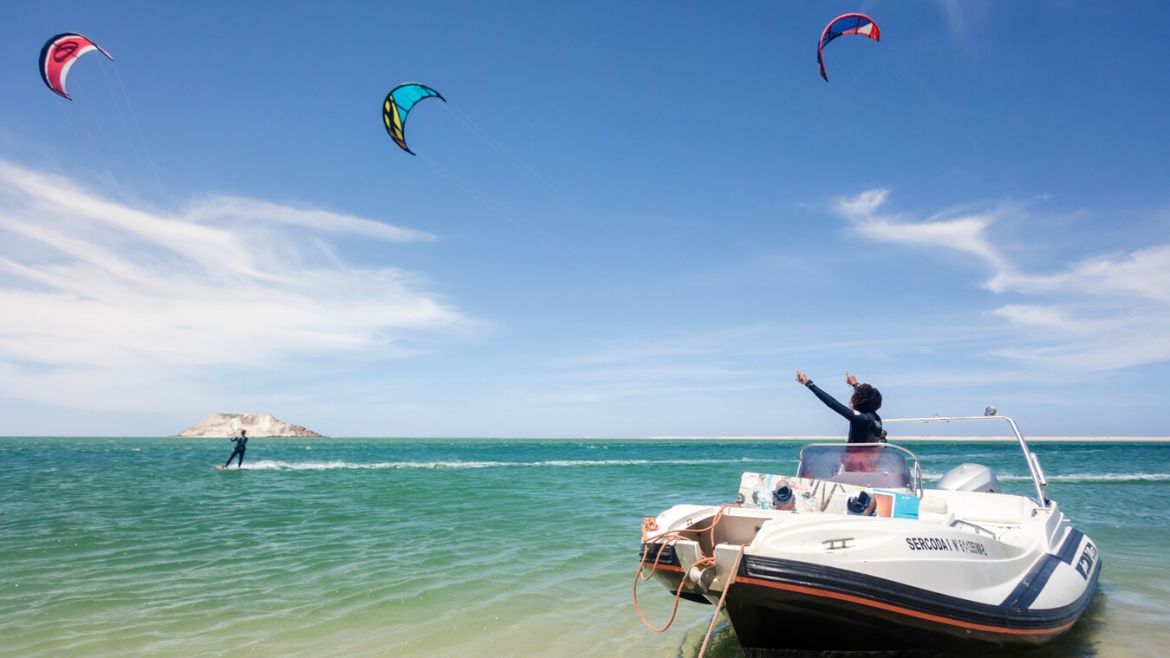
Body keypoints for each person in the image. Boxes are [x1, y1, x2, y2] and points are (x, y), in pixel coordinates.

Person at [795, 369, 884, 444]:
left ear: (860, 402)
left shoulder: (862, 419)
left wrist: (808, 383)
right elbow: (867, 397)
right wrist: (855, 384)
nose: (851, 399)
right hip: (870, 462)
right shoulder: (876, 418)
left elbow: (833, 404)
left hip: (854, 464)